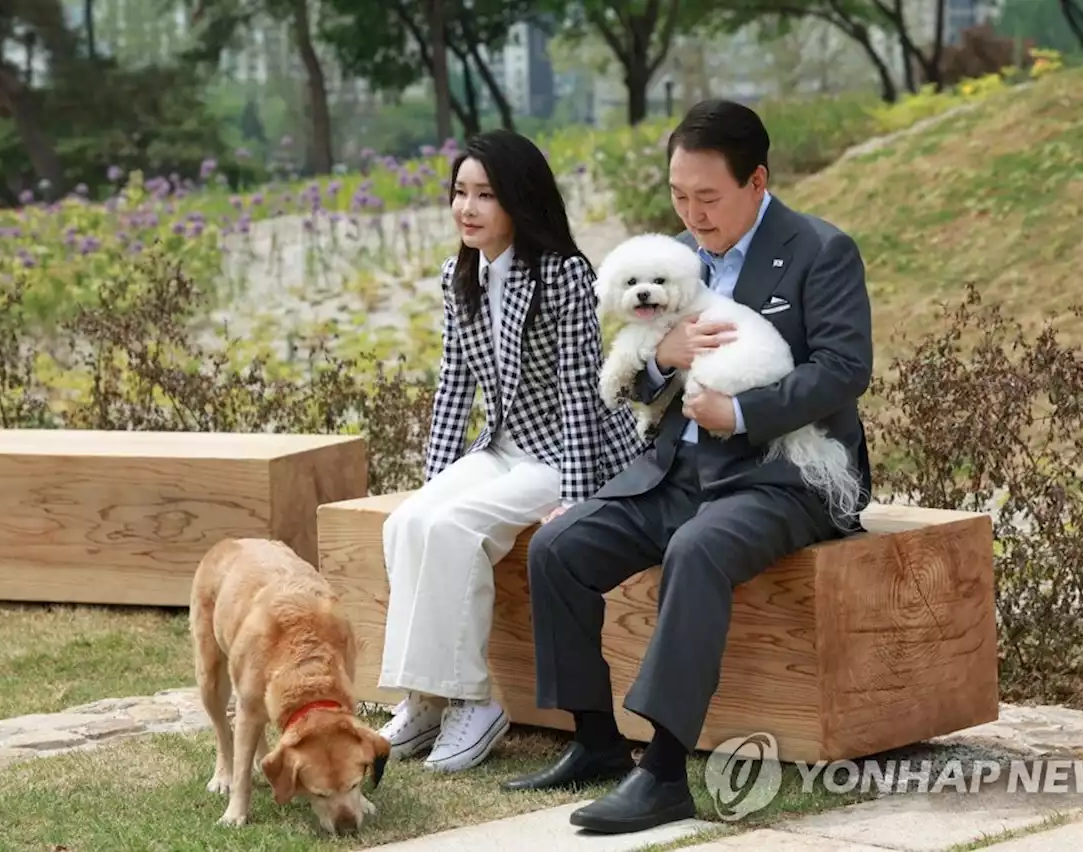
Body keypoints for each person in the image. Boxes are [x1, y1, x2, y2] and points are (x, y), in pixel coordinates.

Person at [500, 99, 875, 833]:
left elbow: (843, 368)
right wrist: (660, 363)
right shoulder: (671, 258)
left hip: (783, 476)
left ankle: (665, 773)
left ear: (757, 180)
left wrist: (738, 414)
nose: (692, 214)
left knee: (694, 550)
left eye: (708, 197)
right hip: (679, 471)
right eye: (679, 195)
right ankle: (597, 741)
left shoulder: (820, 251)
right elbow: (638, 377)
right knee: (558, 547)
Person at [375, 128, 644, 774]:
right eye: (460, 193)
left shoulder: (562, 274)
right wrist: (433, 480)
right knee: (408, 521)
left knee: (456, 528)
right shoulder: (457, 275)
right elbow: (453, 385)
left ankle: (475, 703)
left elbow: (583, 393)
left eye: (485, 195)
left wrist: (577, 500)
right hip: (501, 448)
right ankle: (427, 698)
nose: (467, 208)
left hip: (564, 456)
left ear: (519, 201)